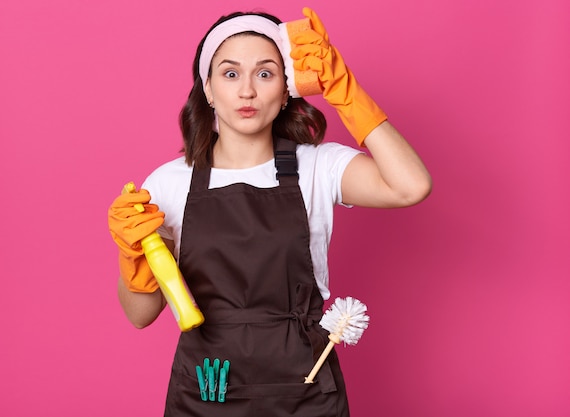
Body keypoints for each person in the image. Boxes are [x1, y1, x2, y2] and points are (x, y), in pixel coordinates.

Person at [108, 7, 431, 416]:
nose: (247, 91)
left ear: (286, 90)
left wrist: (346, 92)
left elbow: (411, 186)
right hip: (206, 394)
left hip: (306, 392)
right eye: (230, 74)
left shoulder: (319, 166)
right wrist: (133, 257)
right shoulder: (169, 183)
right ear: (207, 89)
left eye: (265, 74)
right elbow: (141, 316)